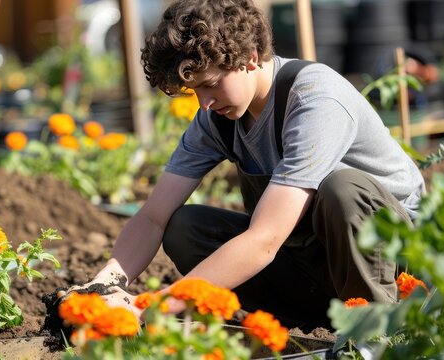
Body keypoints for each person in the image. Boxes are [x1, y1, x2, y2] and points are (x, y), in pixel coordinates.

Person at [67, 0, 425, 331]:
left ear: (251, 57)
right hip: (317, 266)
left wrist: (150, 307)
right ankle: (304, 326)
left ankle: (376, 329)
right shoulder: (219, 118)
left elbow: (264, 240)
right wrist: (105, 283)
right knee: (184, 227)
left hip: (399, 266)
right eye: (195, 92)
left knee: (342, 190)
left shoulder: (315, 100)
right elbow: (153, 216)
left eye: (210, 85)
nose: (204, 104)